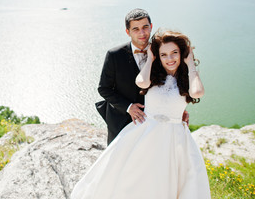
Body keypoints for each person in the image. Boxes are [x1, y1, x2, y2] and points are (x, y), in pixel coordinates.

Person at [71, 30, 211, 199]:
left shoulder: (188, 77)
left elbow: (196, 93)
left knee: (166, 180)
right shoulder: (153, 74)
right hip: (145, 131)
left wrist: (190, 64)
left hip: (174, 138)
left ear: (182, 53)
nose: (170, 59)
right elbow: (141, 82)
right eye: (164, 54)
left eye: (174, 53)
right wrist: (151, 58)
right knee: (134, 177)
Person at [96, 8, 188, 145]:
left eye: (145, 27)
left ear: (151, 27)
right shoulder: (114, 55)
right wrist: (128, 107)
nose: (142, 33)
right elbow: (104, 89)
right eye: (136, 29)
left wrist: (179, 108)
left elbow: (173, 80)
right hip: (120, 120)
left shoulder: (162, 53)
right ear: (128, 32)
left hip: (152, 122)